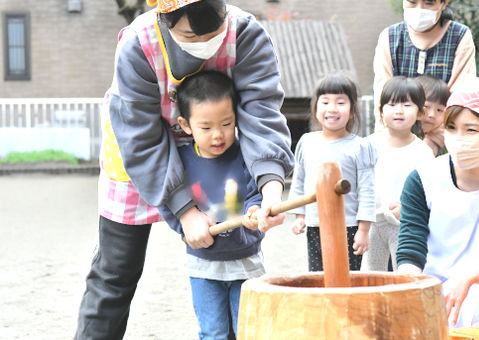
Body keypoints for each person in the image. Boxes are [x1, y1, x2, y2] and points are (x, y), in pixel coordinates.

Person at [75, 0, 294, 338]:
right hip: (140, 156)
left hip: (216, 151)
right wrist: (185, 211)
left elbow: (260, 111)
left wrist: (270, 186)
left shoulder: (246, 32)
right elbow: (140, 137)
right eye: (191, 35)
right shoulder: (138, 44)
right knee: (115, 274)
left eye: (215, 31)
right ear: (165, 18)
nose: (206, 43)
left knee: (232, 257)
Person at [157, 70, 264, 339]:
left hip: (247, 261)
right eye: (206, 127)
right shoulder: (179, 162)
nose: (218, 135)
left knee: (248, 330)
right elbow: (167, 200)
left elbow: (257, 192)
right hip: (203, 266)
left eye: (227, 123)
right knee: (213, 332)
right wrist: (185, 229)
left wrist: (253, 211)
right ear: (186, 125)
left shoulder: (245, 154)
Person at [396, 78, 479, 328]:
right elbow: (410, 247)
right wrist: (411, 284)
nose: (458, 139)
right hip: (433, 283)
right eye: (451, 127)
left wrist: (469, 277)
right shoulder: (422, 179)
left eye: (471, 130)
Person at [288, 73, 377, 271]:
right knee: (318, 277)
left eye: (340, 102)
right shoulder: (306, 142)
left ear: (353, 110)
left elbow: (368, 191)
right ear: (315, 108)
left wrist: (363, 230)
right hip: (315, 225)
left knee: (347, 277)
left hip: (348, 227)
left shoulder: (360, 147)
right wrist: (300, 216)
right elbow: (299, 181)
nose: (332, 109)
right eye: (325, 102)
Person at [361, 76, 434, 272]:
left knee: (404, 274)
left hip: (405, 225)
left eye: (407, 105)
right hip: (372, 223)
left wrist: (407, 207)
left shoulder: (423, 152)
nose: (399, 110)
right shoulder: (368, 146)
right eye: (392, 104)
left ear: (421, 112)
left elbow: (430, 190)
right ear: (380, 111)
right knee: (370, 276)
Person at [373, 0, 476, 131]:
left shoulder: (460, 36)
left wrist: (435, 139)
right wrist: (389, 137)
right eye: (412, 2)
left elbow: (461, 95)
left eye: (428, 3)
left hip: (444, 134)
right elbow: (382, 94)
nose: (419, 9)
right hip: (398, 133)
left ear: (444, 4)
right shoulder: (389, 36)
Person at [415, 74, 450, 156]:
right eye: (426, 107)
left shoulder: (445, 140)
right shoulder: (401, 134)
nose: (432, 115)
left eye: (439, 110)